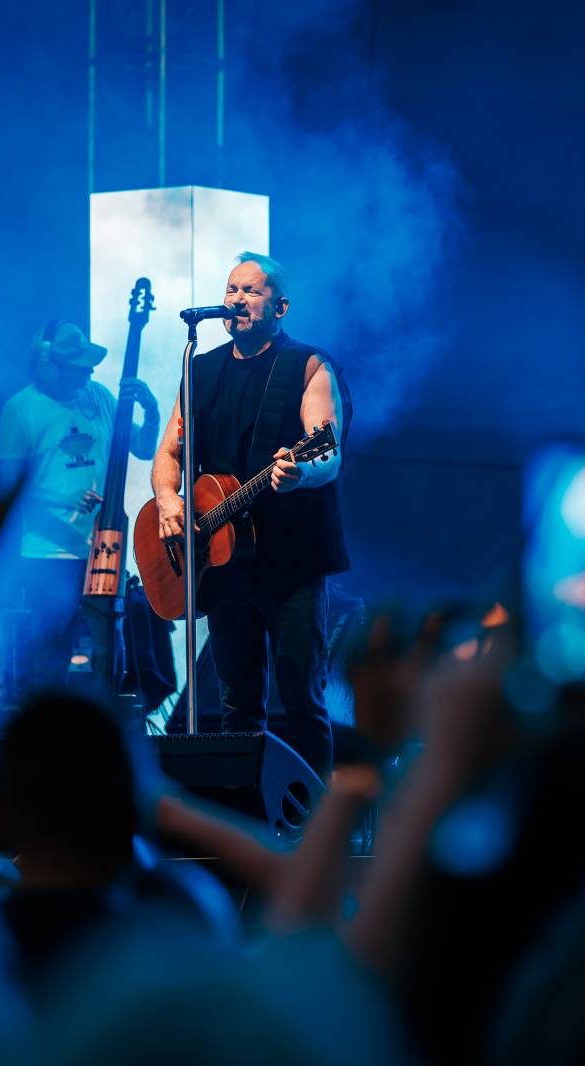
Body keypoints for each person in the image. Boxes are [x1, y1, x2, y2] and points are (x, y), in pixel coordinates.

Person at [150, 253, 348, 778]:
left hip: (291, 559)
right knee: (237, 703)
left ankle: (311, 815)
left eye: (251, 291)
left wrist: (301, 472)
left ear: (279, 307)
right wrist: (168, 499)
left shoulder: (307, 365)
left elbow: (326, 448)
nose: (236, 299)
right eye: (231, 289)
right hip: (224, 563)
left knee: (301, 698)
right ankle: (245, 810)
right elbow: (169, 452)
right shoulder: (200, 369)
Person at [0, 320, 159, 698]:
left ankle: (102, 722)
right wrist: (62, 498)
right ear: (50, 367)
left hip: (102, 546)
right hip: (48, 555)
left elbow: (142, 447)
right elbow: (4, 485)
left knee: (108, 649)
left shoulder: (98, 396)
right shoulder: (20, 409)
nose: (90, 371)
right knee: (50, 651)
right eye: (79, 365)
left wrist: (151, 411)